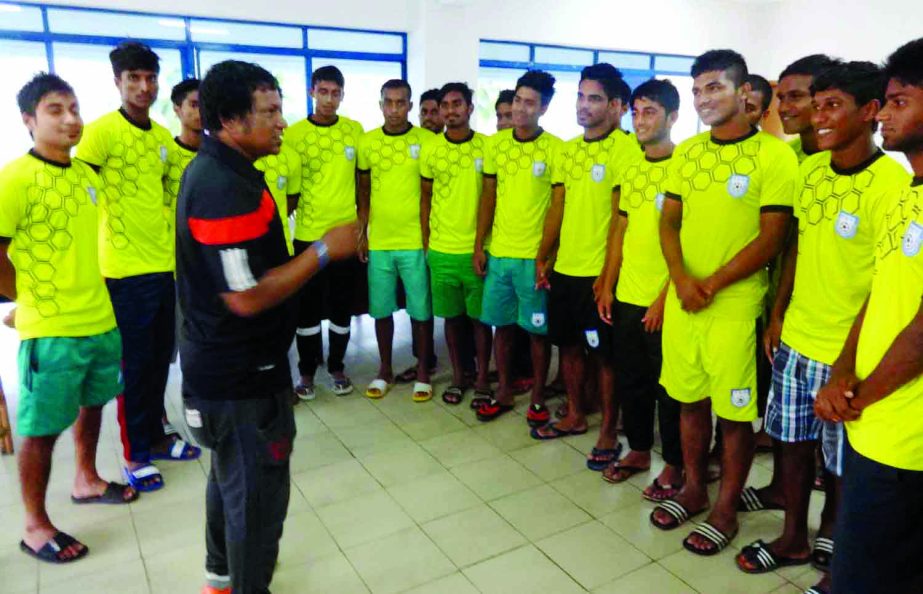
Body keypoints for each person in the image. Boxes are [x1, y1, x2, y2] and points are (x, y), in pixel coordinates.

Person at [177, 59, 357, 594]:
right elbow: (246, 295)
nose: (282, 121)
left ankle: (219, 578)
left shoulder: (224, 171)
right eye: (270, 111)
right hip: (240, 379)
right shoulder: (222, 187)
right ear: (231, 121)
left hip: (226, 370)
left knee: (229, 478)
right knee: (256, 498)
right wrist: (325, 249)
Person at [736, 61, 909, 589]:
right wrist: (779, 311)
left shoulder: (893, 185)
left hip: (849, 352)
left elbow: (887, 282)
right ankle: (792, 536)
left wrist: (849, 362)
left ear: (870, 112)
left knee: (843, 461)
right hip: (797, 338)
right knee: (790, 441)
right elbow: (796, 249)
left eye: (832, 106)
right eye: (817, 105)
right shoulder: (809, 171)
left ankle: (833, 531)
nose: (818, 117)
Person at [652, 50, 798, 557]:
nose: (703, 99)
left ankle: (726, 508)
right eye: (696, 90)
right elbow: (668, 222)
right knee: (688, 401)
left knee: (734, 416)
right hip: (684, 302)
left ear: (744, 93)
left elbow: (772, 238)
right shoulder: (689, 153)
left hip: (733, 308)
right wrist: (680, 280)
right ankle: (694, 488)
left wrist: (709, 285)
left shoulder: (774, 157)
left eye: (713, 87)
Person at [1, 73, 136, 564]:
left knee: (94, 402)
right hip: (52, 329)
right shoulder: (13, 178)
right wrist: (25, 299)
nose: (70, 119)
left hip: (99, 319)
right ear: (29, 120)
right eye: (55, 110)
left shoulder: (87, 177)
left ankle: (86, 478)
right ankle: (35, 525)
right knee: (40, 427)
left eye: (74, 108)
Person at [815, 37, 923, 594]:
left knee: (871, 575)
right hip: (871, 420)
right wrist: (841, 371)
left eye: (900, 100)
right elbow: (881, 291)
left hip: (906, 439)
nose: (884, 112)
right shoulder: (908, 192)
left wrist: (858, 396)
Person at [77, 41, 199, 493]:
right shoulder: (100, 132)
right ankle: (134, 454)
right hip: (123, 271)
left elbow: (171, 196)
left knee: (158, 363)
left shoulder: (161, 138)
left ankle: (156, 435)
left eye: (150, 78)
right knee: (134, 366)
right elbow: (80, 195)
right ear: (117, 82)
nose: (144, 87)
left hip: (163, 267)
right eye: (134, 79)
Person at [534, 63, 641, 445]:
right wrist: (544, 256)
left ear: (616, 106)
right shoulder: (568, 150)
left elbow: (620, 221)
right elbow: (557, 207)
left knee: (605, 358)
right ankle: (577, 414)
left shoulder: (626, 151)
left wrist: (607, 279)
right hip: (566, 269)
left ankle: (610, 430)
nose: (583, 105)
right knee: (569, 348)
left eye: (594, 98)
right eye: (580, 96)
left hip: (600, 274)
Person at [595, 78, 683, 499]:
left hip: (666, 301)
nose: (641, 119)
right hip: (628, 295)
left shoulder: (687, 169)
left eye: (650, 112)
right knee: (632, 380)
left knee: (670, 388)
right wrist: (607, 283)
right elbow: (621, 229)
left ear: (673, 117)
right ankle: (639, 450)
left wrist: (666, 297)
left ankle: (676, 464)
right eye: (637, 111)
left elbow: (694, 241)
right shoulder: (630, 169)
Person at [474, 70, 561, 424]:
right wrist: (480, 245)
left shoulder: (557, 149)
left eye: (529, 103)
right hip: (500, 255)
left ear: (544, 107)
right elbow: (489, 196)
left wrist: (548, 255)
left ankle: (538, 397)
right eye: (516, 102)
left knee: (537, 332)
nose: (520, 110)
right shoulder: (496, 145)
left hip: (533, 259)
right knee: (502, 327)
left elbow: (558, 207)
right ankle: (505, 390)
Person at [284, 65, 364, 400]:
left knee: (342, 305)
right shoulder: (294, 134)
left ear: (342, 95)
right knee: (307, 310)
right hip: (309, 236)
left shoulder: (355, 131)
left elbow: (364, 182)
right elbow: (288, 190)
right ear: (311, 93)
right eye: (323, 92)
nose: (329, 99)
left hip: (346, 237)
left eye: (335, 93)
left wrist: (363, 228)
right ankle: (305, 371)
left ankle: (337, 366)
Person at [357, 79, 435, 401]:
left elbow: (431, 192)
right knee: (380, 310)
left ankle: (422, 372)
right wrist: (363, 232)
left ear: (410, 105)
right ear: (380, 105)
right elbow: (363, 190)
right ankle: (385, 369)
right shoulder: (367, 142)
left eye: (400, 103)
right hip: (380, 242)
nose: (394, 109)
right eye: (388, 102)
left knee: (420, 309)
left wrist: (430, 236)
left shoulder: (427, 140)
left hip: (415, 241)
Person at [419, 82, 493, 408]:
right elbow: (425, 197)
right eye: (445, 105)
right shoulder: (431, 148)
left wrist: (481, 245)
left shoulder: (487, 147)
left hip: (474, 250)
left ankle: (481, 380)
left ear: (469, 108)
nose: (450, 111)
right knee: (451, 319)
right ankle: (458, 376)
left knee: (479, 320)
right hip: (441, 249)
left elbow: (491, 199)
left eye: (457, 104)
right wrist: (427, 242)